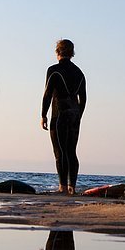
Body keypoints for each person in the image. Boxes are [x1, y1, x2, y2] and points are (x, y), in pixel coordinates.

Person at [40, 39, 87, 195]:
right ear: (72, 53)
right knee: (72, 151)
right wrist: (79, 115)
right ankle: (73, 186)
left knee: (59, 152)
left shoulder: (53, 70)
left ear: (57, 52)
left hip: (59, 113)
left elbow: (47, 94)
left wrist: (43, 114)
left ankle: (62, 187)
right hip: (74, 114)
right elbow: (84, 98)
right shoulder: (79, 73)